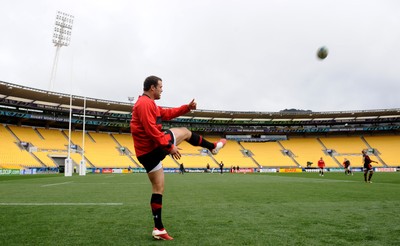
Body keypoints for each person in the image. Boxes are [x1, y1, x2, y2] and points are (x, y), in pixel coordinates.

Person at [130, 75, 226, 240]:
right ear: (152, 87)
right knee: (185, 132)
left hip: (145, 154)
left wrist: (186, 108)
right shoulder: (144, 104)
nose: (162, 89)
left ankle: (158, 228)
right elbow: (151, 130)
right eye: (160, 86)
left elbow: (167, 113)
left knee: (158, 188)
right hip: (153, 148)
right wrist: (170, 146)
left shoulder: (148, 104)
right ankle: (213, 147)